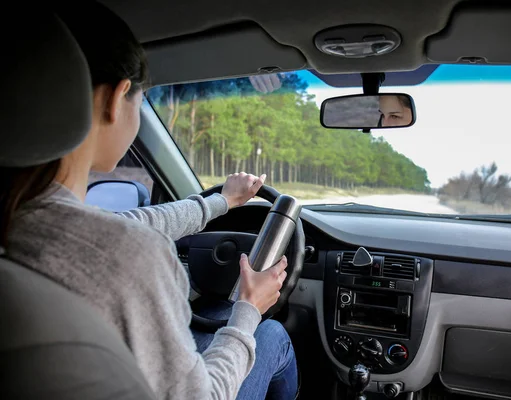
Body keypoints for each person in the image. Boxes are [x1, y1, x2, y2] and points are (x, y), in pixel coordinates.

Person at [0, 2, 297, 399]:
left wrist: (220, 202)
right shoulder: (131, 259)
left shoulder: (20, 218)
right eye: (141, 101)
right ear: (117, 96)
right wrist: (248, 307)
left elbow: (127, 223)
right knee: (272, 333)